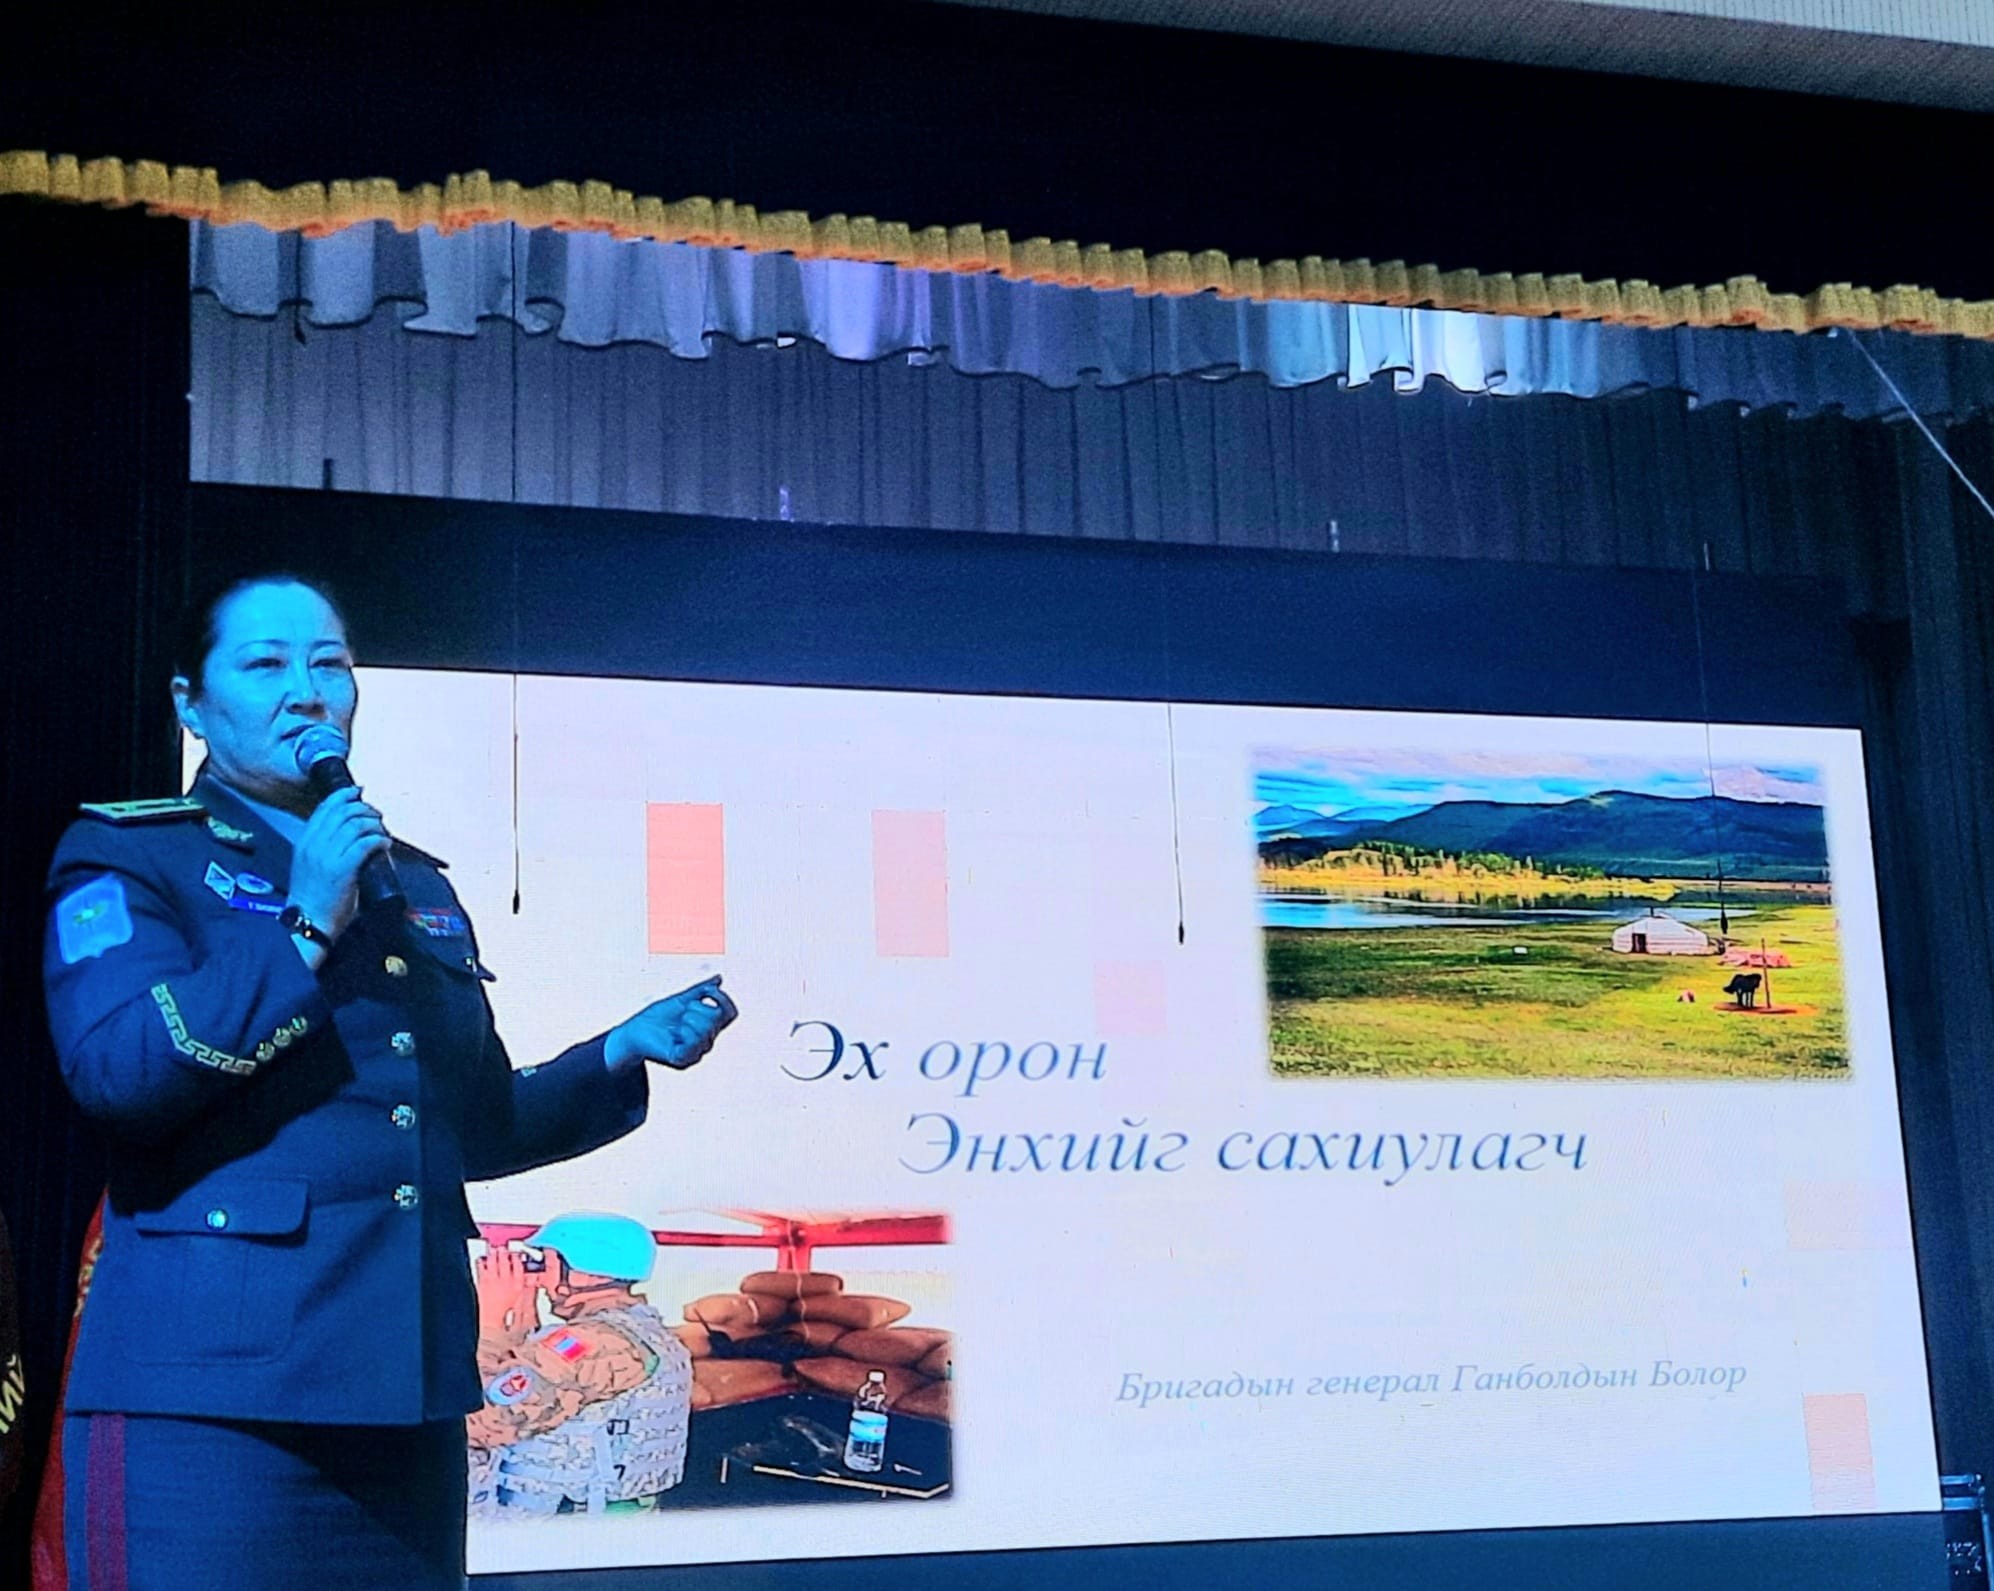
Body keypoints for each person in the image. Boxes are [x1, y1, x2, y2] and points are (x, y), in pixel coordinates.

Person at [41, 573, 738, 1590]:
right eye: (266, 664)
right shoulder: (131, 855)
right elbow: (121, 1075)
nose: (307, 690)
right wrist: (305, 922)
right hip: (211, 1403)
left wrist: (615, 1054)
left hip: (404, 1396)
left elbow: (473, 1125)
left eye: (329, 664)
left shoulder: (409, 881)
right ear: (191, 702)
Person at [467, 1212, 693, 1515]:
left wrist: (490, 1321)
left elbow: (481, 1423)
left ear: (589, 1275)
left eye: (546, 1263)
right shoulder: (640, 1332)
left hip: (563, 1526)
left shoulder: (594, 1343)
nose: (541, 1277)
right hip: (598, 1519)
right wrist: (522, 1309)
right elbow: (530, 1375)